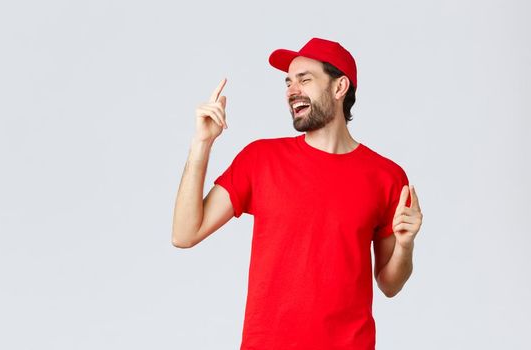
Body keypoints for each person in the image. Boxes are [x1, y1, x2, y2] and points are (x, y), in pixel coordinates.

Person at [171, 37, 424, 349]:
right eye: (288, 82)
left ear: (339, 87)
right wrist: (201, 143)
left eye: (305, 79)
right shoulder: (260, 159)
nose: (292, 90)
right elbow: (184, 234)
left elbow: (389, 284)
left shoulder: (386, 176)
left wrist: (406, 245)